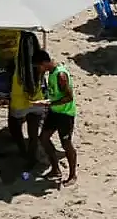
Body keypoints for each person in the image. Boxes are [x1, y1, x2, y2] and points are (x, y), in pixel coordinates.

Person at [33, 50, 78, 185]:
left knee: (66, 144)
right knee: (44, 138)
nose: (39, 69)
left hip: (65, 114)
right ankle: (55, 169)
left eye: (39, 66)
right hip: (54, 112)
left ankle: (72, 175)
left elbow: (69, 97)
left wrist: (48, 102)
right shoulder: (51, 72)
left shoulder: (61, 75)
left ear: (44, 63)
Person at [7, 32, 44, 179]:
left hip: (20, 98)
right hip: (36, 98)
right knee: (33, 132)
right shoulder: (40, 59)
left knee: (14, 125)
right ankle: (31, 157)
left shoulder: (19, 58)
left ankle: (23, 150)